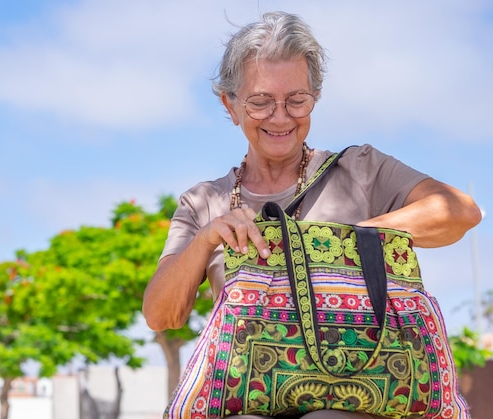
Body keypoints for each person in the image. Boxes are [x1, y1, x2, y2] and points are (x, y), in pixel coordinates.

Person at [142, 11, 481, 419]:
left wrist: (348, 236)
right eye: (261, 102)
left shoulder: (361, 169)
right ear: (230, 105)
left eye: (296, 100)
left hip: (362, 390)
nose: (281, 117)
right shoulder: (203, 202)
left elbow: (460, 213)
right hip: (251, 399)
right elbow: (161, 315)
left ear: (315, 98)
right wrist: (206, 239)